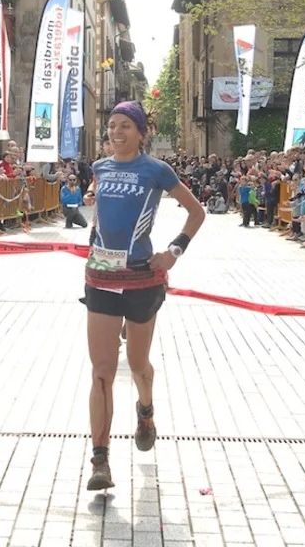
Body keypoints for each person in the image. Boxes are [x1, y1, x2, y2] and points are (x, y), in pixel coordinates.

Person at [80, 101, 204, 491]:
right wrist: (91, 201)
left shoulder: (156, 169)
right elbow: (99, 203)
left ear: (140, 132)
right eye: (111, 126)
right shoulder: (100, 167)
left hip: (141, 278)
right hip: (102, 276)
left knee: (136, 364)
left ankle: (145, 409)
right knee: (101, 371)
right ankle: (100, 461)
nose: (116, 133)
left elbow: (196, 212)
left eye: (125, 127)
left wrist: (173, 252)